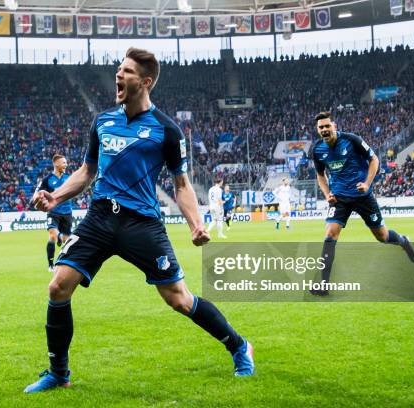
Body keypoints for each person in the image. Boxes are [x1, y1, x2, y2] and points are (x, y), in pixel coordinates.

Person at [25, 48, 254, 393]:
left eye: (127, 71)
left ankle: (239, 346)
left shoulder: (167, 130)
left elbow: (182, 184)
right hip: (99, 217)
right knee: (58, 286)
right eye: (118, 69)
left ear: (145, 82)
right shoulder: (102, 121)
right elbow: (86, 172)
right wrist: (55, 197)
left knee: (178, 298)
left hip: (141, 223)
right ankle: (59, 373)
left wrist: (195, 223)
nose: (118, 75)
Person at [310, 111, 414, 296]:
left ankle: (403, 240)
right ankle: (324, 285)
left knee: (382, 236)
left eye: (327, 126)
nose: (325, 129)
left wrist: (367, 183)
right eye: (321, 127)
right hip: (339, 199)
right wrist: (327, 194)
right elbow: (320, 175)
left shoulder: (352, 140)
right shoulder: (317, 149)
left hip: (362, 196)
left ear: (334, 126)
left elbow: (374, 159)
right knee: (329, 236)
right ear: (317, 130)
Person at [36, 154, 73, 272]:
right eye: (64, 163)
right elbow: (38, 192)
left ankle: (63, 264)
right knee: (52, 235)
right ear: (56, 164)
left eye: (66, 163)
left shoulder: (69, 177)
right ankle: (51, 264)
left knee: (67, 241)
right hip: (54, 212)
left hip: (67, 213)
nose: (66, 165)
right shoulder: (47, 179)